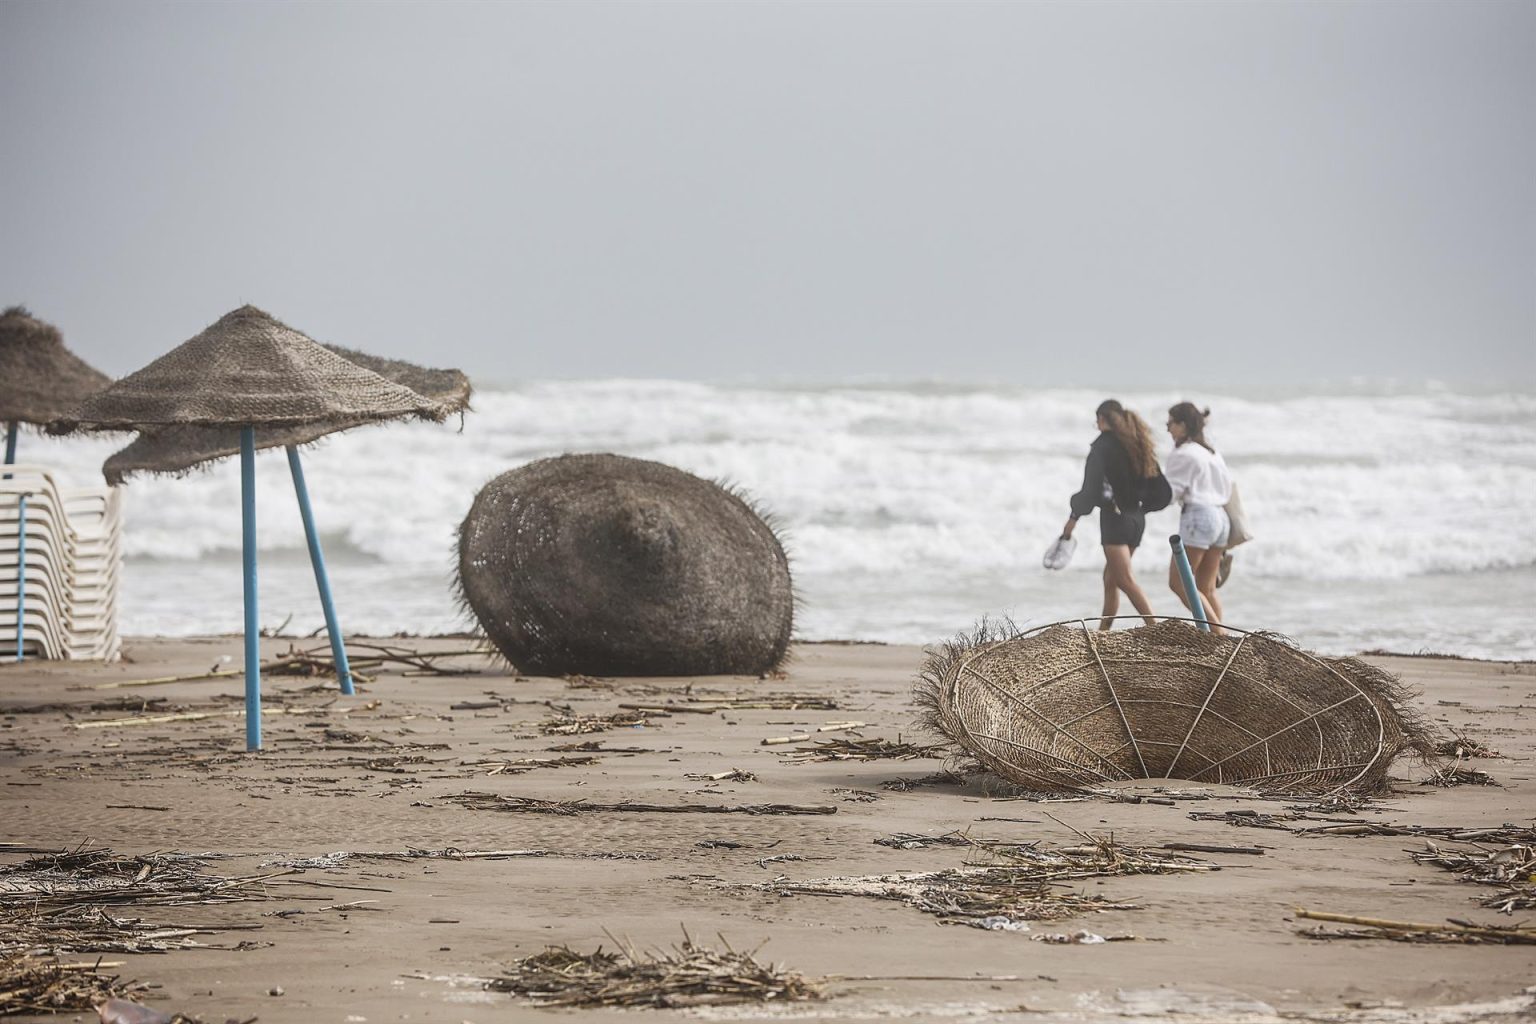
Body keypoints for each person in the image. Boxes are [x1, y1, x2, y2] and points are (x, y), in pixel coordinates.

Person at [1060, 399, 1159, 630]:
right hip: (1137, 519)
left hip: (1115, 521)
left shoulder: (1102, 447)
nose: (1096, 424)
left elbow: (1090, 490)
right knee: (1110, 578)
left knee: (1124, 580)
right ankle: (1103, 633)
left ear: (1103, 419)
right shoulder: (1136, 445)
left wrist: (1073, 518)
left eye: (1097, 419)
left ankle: (1155, 628)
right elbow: (1156, 485)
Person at [1164, 402, 1232, 632]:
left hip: (1199, 517)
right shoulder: (1211, 452)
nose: (1167, 429)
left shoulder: (1183, 453)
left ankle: (1218, 635)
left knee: (1180, 583)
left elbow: (1172, 492)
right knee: (1206, 587)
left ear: (1183, 425)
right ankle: (1221, 642)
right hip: (1221, 518)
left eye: (1170, 423)